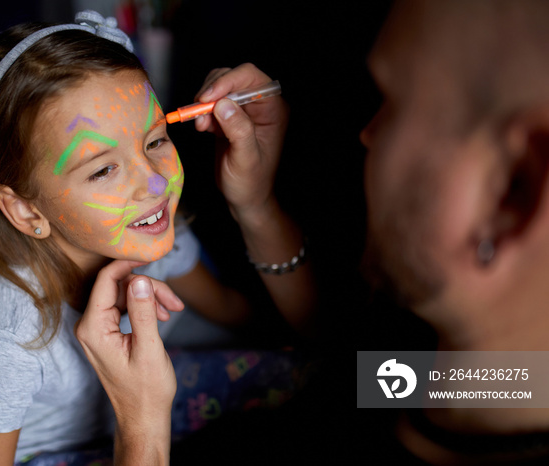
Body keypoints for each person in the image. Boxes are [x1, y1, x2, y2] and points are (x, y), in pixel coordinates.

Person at [78, 0, 549, 464]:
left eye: (392, 101)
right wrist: (257, 204)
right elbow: (348, 351)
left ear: (514, 191)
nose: (366, 133)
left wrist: (140, 430)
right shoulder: (499, 377)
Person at [0, 10, 314, 466]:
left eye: (155, 140)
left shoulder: (153, 229)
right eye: (103, 169)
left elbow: (232, 312)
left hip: (151, 408)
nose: (155, 185)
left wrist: (294, 340)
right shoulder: (6, 340)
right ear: (26, 210)